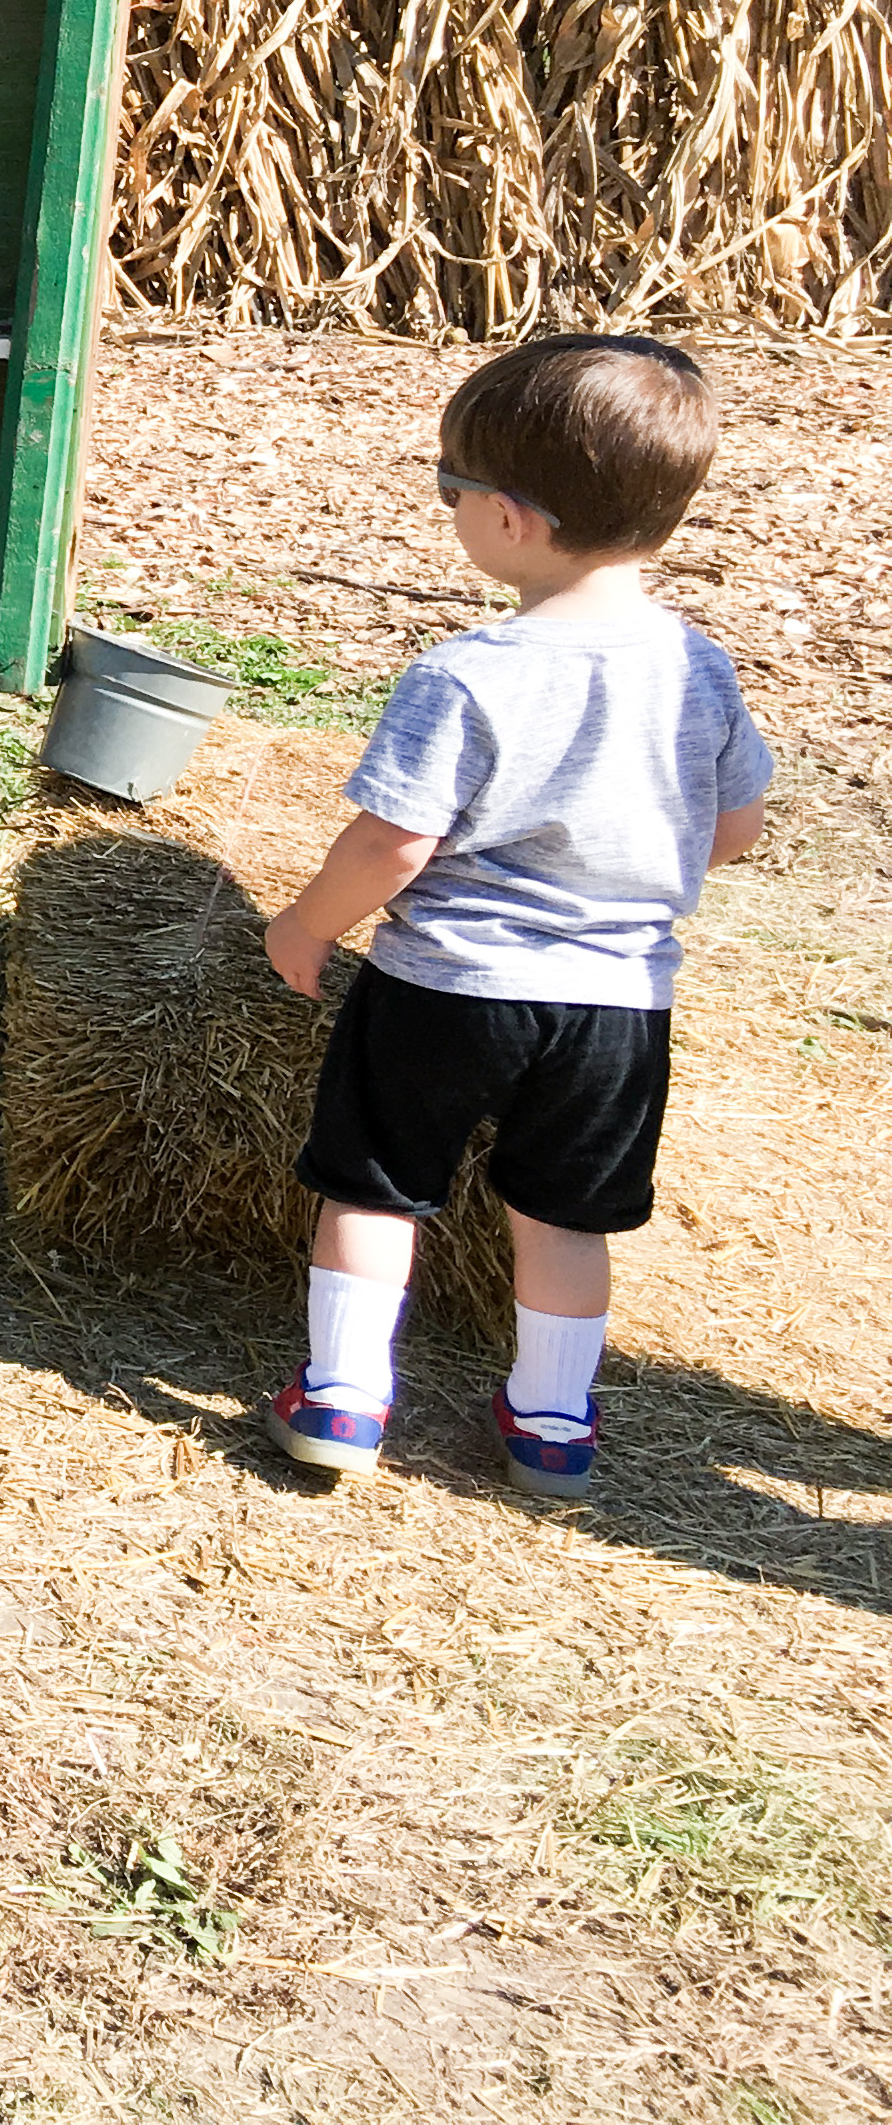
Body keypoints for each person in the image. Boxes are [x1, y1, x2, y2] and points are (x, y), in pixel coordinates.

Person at [257, 335, 773, 1502]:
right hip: (617, 1008)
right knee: (562, 1215)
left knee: (377, 1186)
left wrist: (302, 927)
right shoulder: (699, 669)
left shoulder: (468, 672)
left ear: (504, 518)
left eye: (448, 488)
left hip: (449, 984)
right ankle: (549, 1419)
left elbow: (395, 842)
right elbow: (734, 829)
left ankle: (340, 1397)